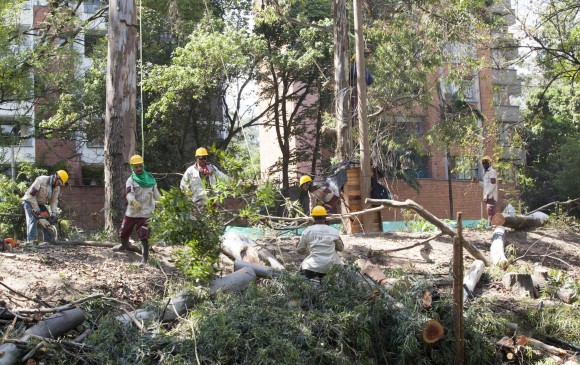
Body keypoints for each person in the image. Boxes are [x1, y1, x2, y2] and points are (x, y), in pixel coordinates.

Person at [114, 154, 161, 264]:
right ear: (132, 168)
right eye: (136, 167)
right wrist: (133, 201)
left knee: (144, 235)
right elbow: (129, 194)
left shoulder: (151, 180)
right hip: (132, 212)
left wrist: (163, 202)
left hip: (146, 213)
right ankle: (123, 245)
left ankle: (145, 258)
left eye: (140, 166)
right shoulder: (130, 180)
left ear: (143, 166)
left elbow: (157, 195)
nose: (139, 169)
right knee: (124, 231)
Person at [296, 206, 344, 279]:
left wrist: (308, 251)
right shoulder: (334, 231)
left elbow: (299, 250)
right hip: (330, 267)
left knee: (301, 280)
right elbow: (341, 248)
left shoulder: (307, 231)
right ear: (325, 217)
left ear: (313, 218)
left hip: (311, 266)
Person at [22, 170, 68, 242]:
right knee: (32, 220)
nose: (58, 185)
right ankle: (31, 242)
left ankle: (48, 241)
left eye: (60, 184)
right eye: (59, 182)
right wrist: (36, 208)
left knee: (48, 220)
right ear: (55, 177)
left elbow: (54, 201)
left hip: (40, 203)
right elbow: (31, 195)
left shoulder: (57, 188)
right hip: (29, 201)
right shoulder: (41, 179)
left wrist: (53, 213)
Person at [481, 155, 498, 227]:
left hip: (491, 196)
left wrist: (487, 194)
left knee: (490, 211)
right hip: (488, 196)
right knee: (489, 212)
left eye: (486, 162)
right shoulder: (486, 172)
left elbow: (493, 184)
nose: (484, 164)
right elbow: (485, 185)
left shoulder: (492, 171)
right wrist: (477, 182)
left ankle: (491, 226)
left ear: (489, 163)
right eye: (483, 163)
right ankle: (490, 226)